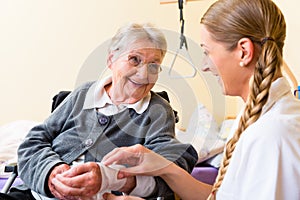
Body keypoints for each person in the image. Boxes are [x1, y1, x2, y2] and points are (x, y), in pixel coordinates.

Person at [101, 0, 300, 199]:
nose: (204, 66)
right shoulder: (256, 118)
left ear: (244, 52)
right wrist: (165, 168)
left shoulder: (274, 134)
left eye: (207, 52)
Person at [0, 23, 198, 200]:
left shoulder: (158, 111)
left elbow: (172, 165)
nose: (144, 74)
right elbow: (33, 142)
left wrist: (109, 178)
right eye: (134, 60)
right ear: (111, 59)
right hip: (38, 194)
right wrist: (51, 172)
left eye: (153, 65)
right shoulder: (84, 94)